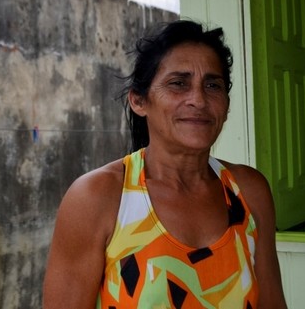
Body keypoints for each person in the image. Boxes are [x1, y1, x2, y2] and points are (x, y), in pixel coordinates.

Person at [42, 19, 288, 309]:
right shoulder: (98, 197)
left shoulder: (248, 191)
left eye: (212, 85)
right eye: (178, 83)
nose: (198, 99)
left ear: (226, 103)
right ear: (139, 101)